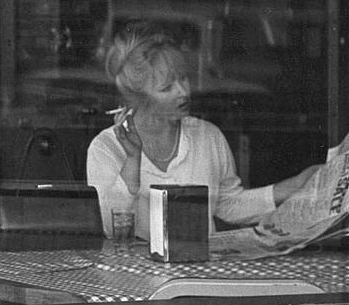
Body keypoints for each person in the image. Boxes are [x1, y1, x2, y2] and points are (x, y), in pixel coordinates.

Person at [86, 21, 317, 240]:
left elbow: (227, 204)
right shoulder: (105, 148)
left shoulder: (208, 137)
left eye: (184, 79)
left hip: (199, 274)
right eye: (167, 88)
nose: (183, 92)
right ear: (139, 99)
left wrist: (292, 187)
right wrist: (132, 162)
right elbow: (109, 228)